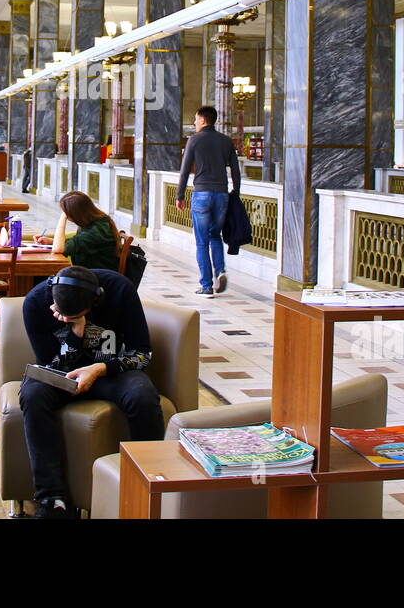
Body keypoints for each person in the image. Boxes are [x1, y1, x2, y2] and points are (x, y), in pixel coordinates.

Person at [19, 266, 163, 518]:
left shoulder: (120, 290)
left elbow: (142, 353)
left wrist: (99, 368)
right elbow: (49, 362)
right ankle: (52, 499)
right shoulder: (35, 302)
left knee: (142, 395)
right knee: (33, 395)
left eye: (79, 314)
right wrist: (76, 331)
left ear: (97, 299)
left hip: (110, 372)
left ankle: (148, 485)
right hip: (63, 374)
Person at [175, 105, 241, 296]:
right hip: (221, 195)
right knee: (215, 235)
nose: (194, 123)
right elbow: (235, 170)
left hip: (201, 194)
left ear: (203, 120)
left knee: (202, 242)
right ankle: (219, 270)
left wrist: (180, 195)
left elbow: (185, 170)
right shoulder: (226, 141)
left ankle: (206, 285)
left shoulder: (194, 140)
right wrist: (236, 192)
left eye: (196, 119)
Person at [36, 191, 121, 271]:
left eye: (66, 213)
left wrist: (62, 218)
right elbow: (79, 242)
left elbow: (58, 249)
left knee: (39, 276)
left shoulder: (95, 231)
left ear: (76, 214)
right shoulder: (98, 221)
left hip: (96, 277)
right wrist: (51, 241)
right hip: (89, 272)